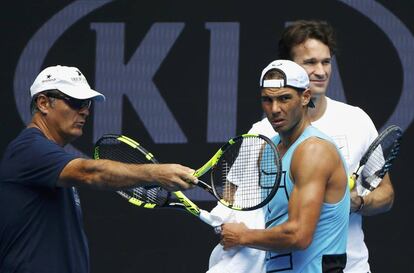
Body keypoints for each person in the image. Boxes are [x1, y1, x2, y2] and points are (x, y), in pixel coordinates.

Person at [0, 65, 197, 273]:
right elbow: (91, 173)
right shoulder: (29, 148)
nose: (84, 110)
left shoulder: (48, 159)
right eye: (75, 102)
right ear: (43, 103)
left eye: (87, 104)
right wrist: (156, 173)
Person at [248, 20, 395, 272]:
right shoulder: (261, 134)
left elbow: (386, 194)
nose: (321, 71)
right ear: (288, 69)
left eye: (326, 62)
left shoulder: (356, 119)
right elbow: (237, 200)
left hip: (350, 267)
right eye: (310, 63)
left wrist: (358, 202)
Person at [219, 59, 350, 272]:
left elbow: (298, 235)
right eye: (267, 100)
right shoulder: (269, 150)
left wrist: (242, 236)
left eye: (284, 98)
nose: (275, 109)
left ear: (305, 97)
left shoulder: (314, 150)